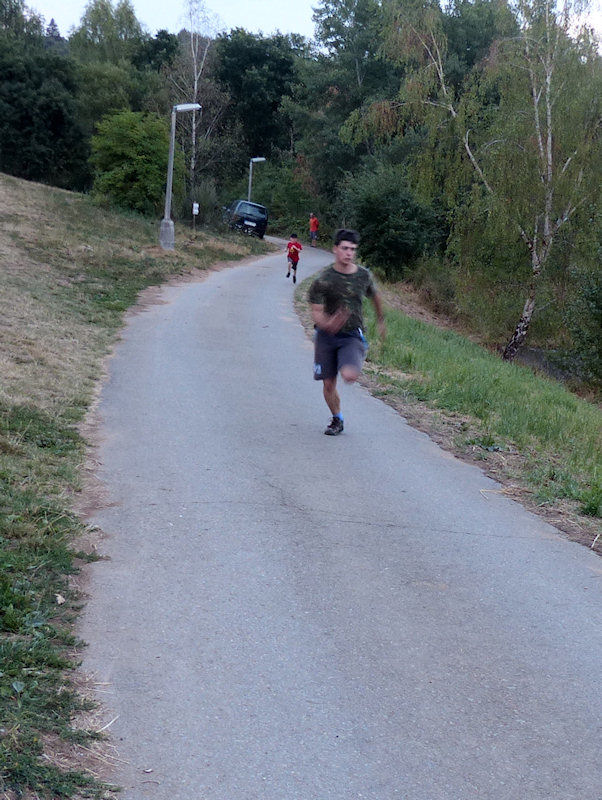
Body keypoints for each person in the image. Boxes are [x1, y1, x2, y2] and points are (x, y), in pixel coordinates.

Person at [308, 229, 386, 435]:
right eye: (345, 248)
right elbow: (315, 311)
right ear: (335, 249)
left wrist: (381, 320)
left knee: (349, 375)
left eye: (352, 249)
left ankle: (355, 354)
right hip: (325, 336)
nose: (349, 253)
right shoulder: (324, 279)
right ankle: (337, 419)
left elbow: (375, 296)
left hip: (351, 335)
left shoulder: (363, 276)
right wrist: (328, 323)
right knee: (328, 383)